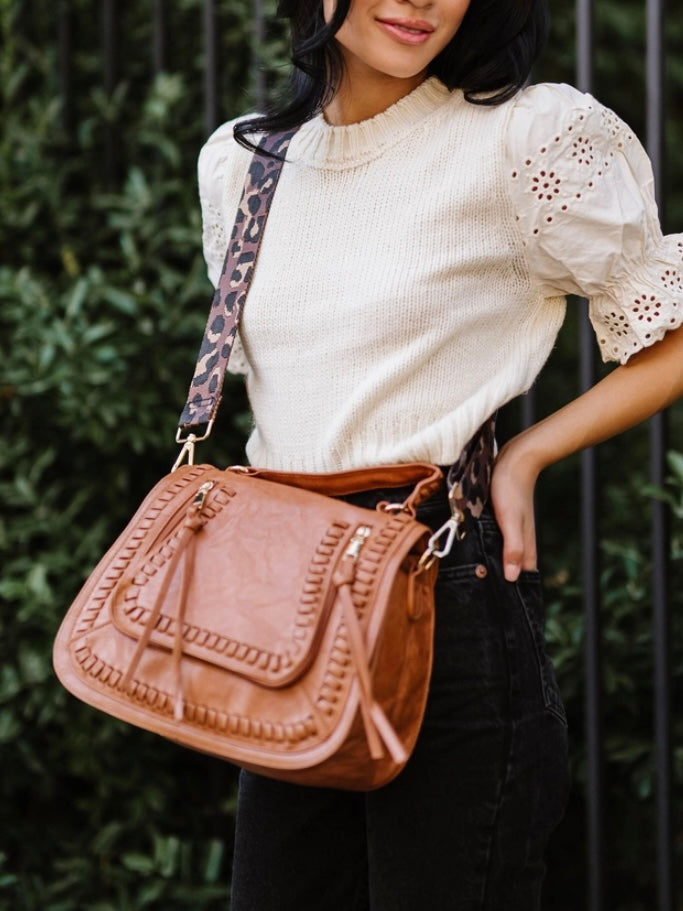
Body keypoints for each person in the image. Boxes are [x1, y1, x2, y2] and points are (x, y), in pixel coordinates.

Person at [197, 1, 683, 907]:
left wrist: (526, 454)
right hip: (290, 616)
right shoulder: (242, 164)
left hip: (443, 593)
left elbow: (671, 330)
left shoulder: (524, 136)